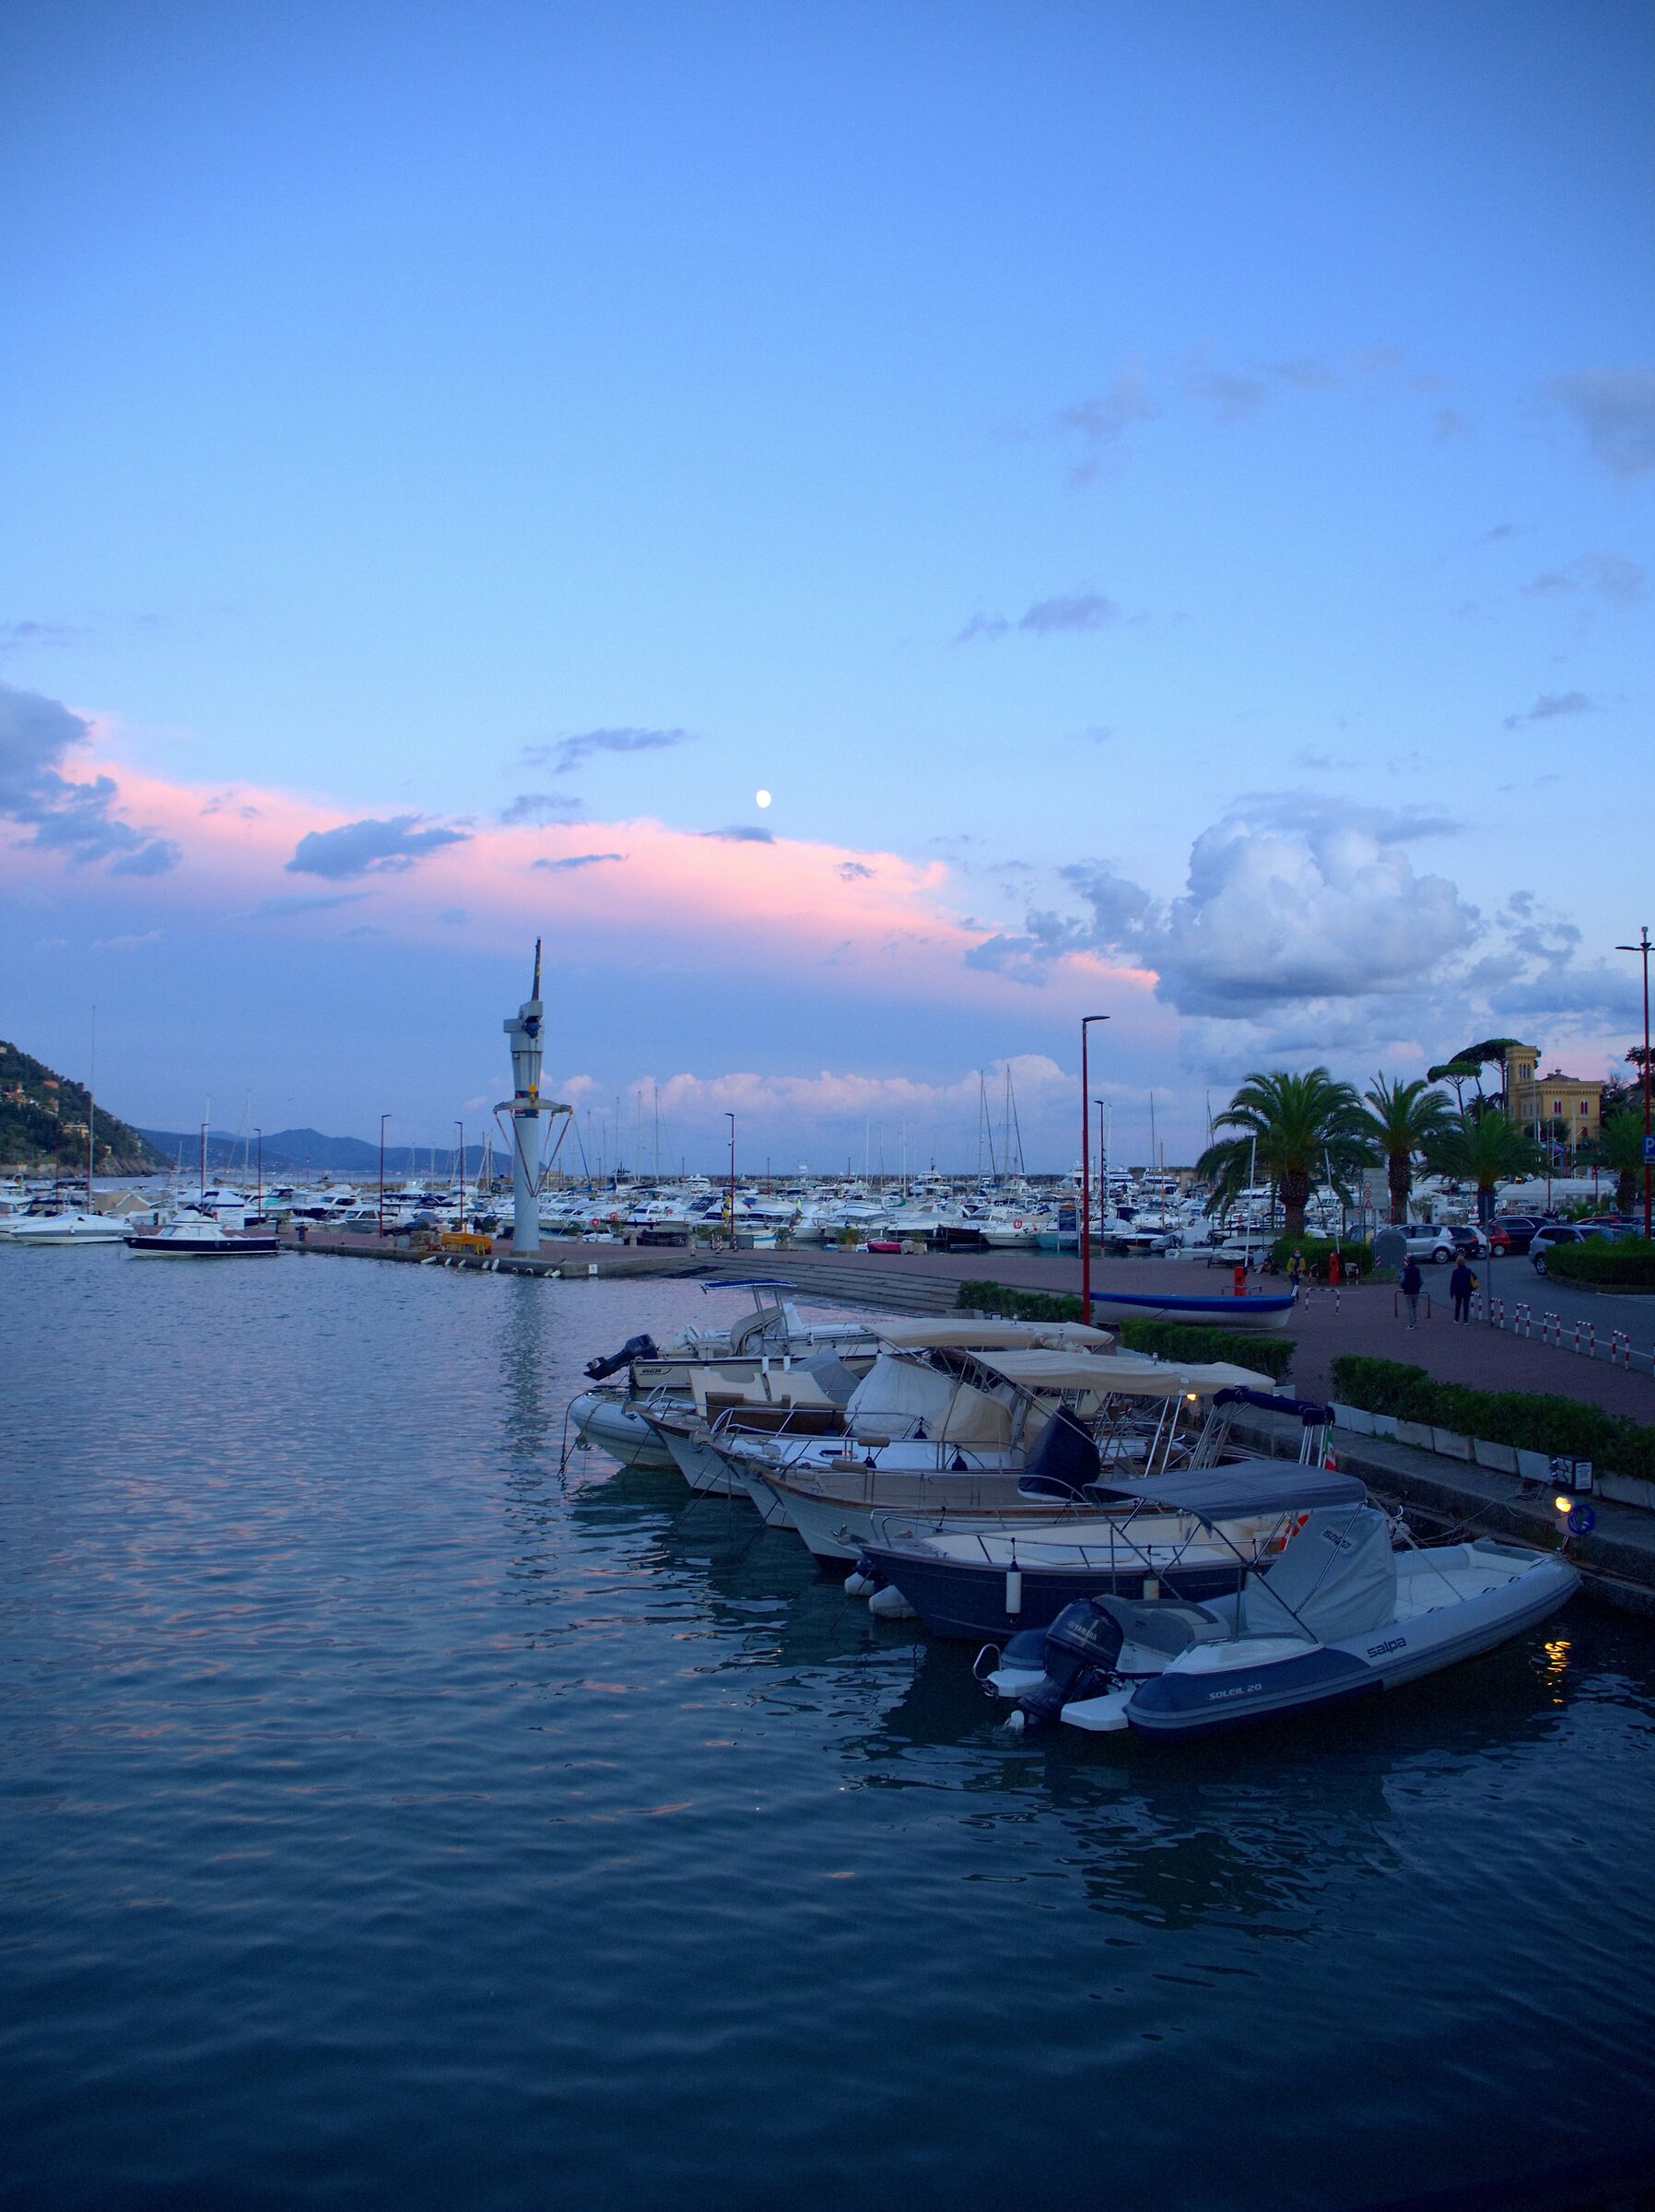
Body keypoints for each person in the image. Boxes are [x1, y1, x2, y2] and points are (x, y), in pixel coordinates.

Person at [1399, 1256, 1424, 1329]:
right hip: (1416, 1291)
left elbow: (1401, 1281)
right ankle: (1415, 1320)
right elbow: (1421, 1281)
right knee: (1414, 1307)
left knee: (1410, 1308)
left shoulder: (1404, 1270)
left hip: (1407, 1291)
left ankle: (1412, 1324)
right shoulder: (1418, 1270)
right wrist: (1418, 1287)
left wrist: (1403, 1287)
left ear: (1408, 1262)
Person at [1450, 1257, 1475, 1324]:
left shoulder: (1455, 1272)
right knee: (1466, 1305)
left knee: (1458, 1304)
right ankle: (1465, 1320)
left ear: (1457, 1263)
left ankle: (1456, 1319)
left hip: (1458, 1291)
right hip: (1467, 1291)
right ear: (1464, 1262)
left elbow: (1453, 1283)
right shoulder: (1469, 1271)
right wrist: (1471, 1289)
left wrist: (1452, 1293)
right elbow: (1474, 1279)